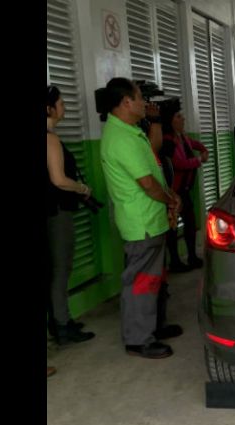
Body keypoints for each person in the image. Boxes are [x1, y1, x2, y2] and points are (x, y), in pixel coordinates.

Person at [99, 77, 182, 358]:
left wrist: (169, 195)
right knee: (141, 281)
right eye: (139, 99)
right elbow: (146, 183)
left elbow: (154, 173)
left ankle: (154, 326)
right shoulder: (121, 138)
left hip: (151, 220)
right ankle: (138, 338)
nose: (144, 104)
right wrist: (171, 199)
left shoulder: (131, 132)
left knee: (154, 278)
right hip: (141, 223)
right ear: (126, 102)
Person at [46, 85, 96, 345]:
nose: (64, 108)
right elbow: (58, 179)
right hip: (56, 213)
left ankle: (58, 322)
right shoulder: (50, 139)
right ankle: (63, 325)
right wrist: (82, 187)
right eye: (61, 104)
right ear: (49, 108)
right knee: (61, 270)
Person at [160, 105, 209, 272]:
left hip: (185, 189)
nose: (183, 119)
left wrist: (203, 149)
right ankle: (174, 261)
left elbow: (194, 144)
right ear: (170, 121)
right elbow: (177, 164)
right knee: (173, 227)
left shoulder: (181, 137)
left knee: (190, 223)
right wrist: (199, 160)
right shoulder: (167, 140)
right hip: (174, 191)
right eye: (178, 116)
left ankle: (192, 256)